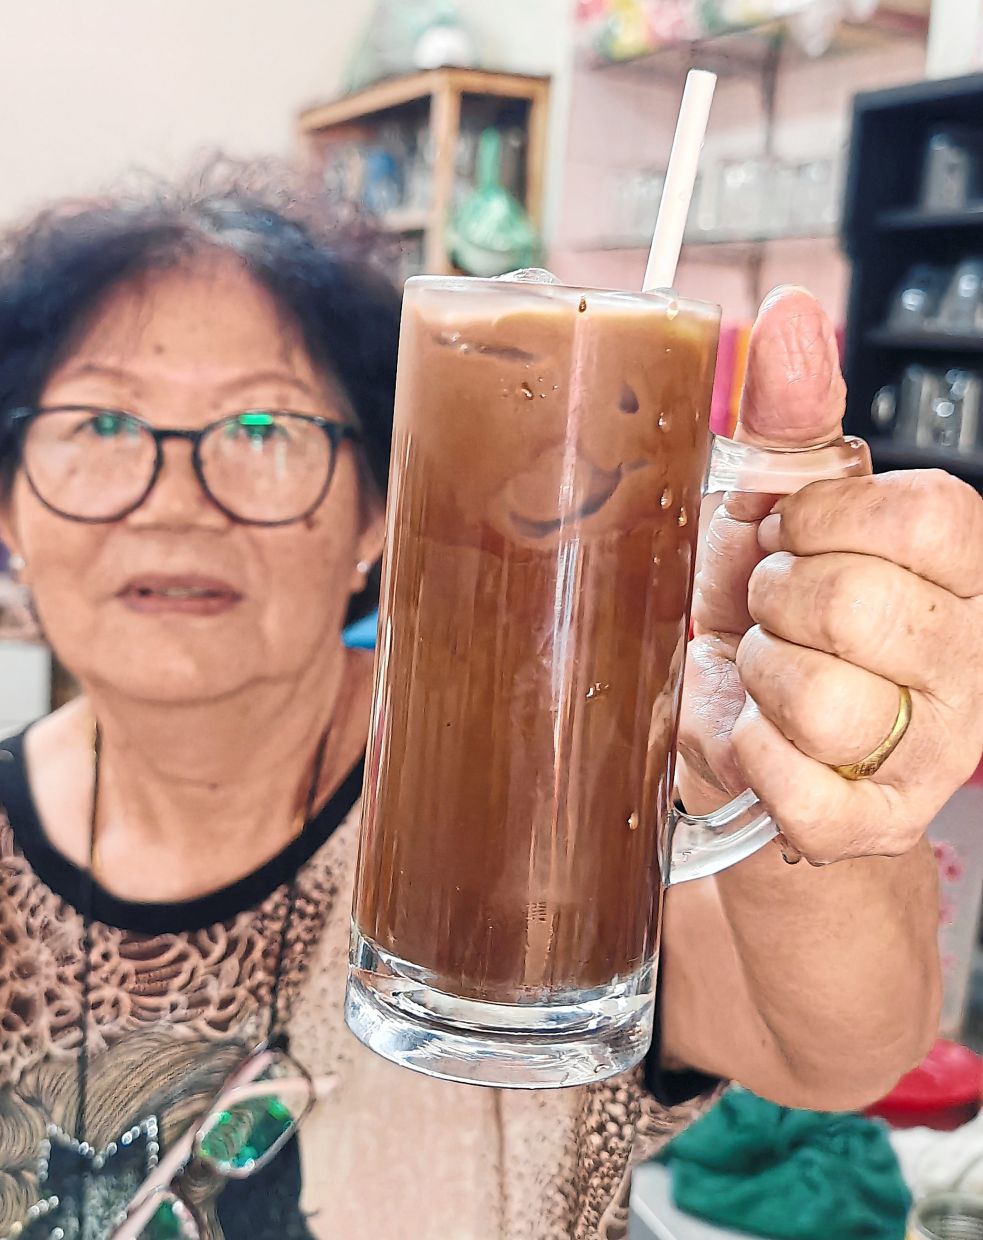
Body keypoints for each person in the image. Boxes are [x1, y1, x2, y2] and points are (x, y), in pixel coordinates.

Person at [0, 164, 979, 1240]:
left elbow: (841, 1048)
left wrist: (816, 757)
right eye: (99, 426)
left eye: (265, 428)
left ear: (385, 501)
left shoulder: (528, 786)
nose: (174, 499)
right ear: (11, 511)